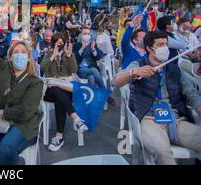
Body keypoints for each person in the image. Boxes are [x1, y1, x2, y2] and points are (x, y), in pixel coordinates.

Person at [114, 31, 201, 165]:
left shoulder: (174, 69)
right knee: (162, 152)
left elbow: (191, 94)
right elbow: (116, 81)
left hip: (176, 120)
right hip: (150, 119)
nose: (164, 48)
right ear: (149, 48)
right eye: (160, 45)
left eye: (166, 44)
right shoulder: (138, 65)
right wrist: (133, 73)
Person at [0, 28, 43, 165]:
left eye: (24, 53)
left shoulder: (35, 82)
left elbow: (26, 111)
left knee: (6, 149)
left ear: (29, 58)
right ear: (10, 57)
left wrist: (1, 112)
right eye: (16, 52)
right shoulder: (3, 68)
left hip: (23, 125)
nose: (20, 55)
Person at [40, 33, 88, 151]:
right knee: (57, 90)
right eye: (57, 43)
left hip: (66, 88)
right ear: (53, 43)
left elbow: (74, 70)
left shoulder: (69, 54)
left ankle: (59, 136)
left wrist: (69, 56)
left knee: (60, 98)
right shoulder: (49, 53)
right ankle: (77, 119)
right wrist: (52, 56)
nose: (59, 45)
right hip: (50, 89)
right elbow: (42, 70)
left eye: (62, 43)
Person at [74, 27, 115, 106]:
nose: (86, 35)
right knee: (93, 70)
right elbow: (75, 58)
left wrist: (93, 50)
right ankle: (106, 95)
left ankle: (91, 103)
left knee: (91, 77)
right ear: (81, 35)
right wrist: (82, 48)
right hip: (81, 70)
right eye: (84, 34)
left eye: (88, 34)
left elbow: (100, 56)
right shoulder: (76, 45)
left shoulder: (92, 44)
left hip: (92, 70)